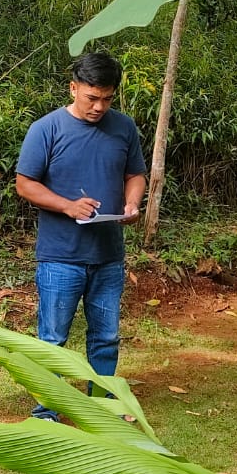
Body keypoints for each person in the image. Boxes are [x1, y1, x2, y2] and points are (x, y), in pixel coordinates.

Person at [15, 52, 148, 420]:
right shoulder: (47, 129)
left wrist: (132, 203)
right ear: (73, 88)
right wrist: (67, 206)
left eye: (107, 99)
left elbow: (135, 175)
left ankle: (103, 406)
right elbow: (25, 184)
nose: (99, 107)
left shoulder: (123, 128)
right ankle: (48, 411)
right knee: (53, 339)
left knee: (106, 337)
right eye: (92, 97)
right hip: (60, 256)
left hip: (108, 256)